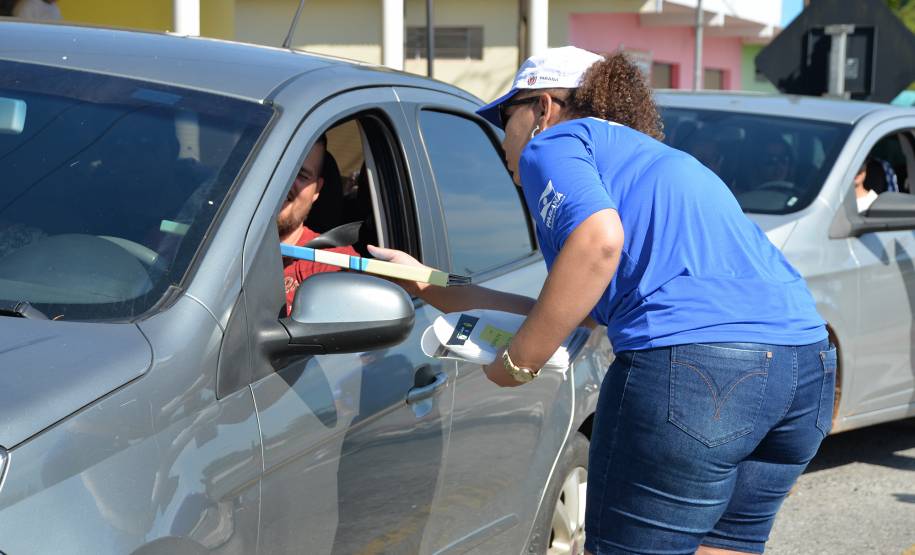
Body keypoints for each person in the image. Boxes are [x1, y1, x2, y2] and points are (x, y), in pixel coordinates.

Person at [369, 46, 834, 555]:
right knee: (728, 546)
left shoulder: (556, 142)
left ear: (543, 109)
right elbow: (575, 310)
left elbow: (598, 241)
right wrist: (431, 288)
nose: (505, 140)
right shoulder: (652, 163)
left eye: (507, 116)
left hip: (699, 373)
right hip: (803, 369)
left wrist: (518, 365)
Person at [279, 136, 357, 315]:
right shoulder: (214, 241)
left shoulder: (330, 261)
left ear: (317, 190)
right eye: (279, 167)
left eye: (302, 175)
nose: (284, 182)